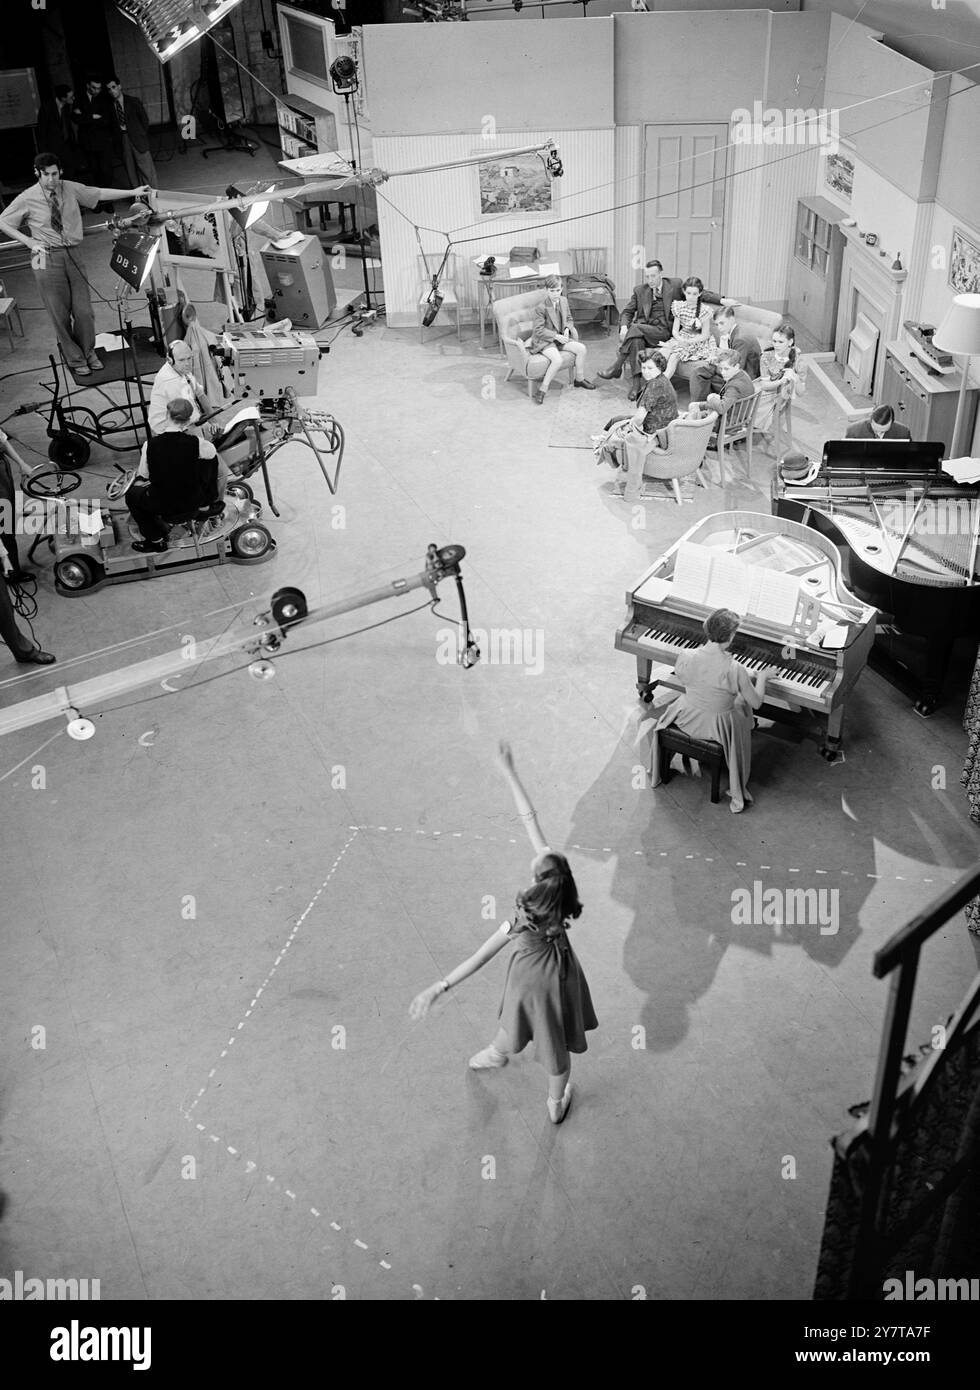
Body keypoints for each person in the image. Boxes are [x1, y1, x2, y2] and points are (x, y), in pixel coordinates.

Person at [409, 742, 598, 1125]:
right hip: (562, 978)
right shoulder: (560, 892)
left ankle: (497, 1053)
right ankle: (554, 1103)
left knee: (517, 1020)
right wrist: (510, 772)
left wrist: (438, 987)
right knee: (558, 1049)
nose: (535, 853)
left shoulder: (520, 917)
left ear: (537, 881)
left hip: (530, 981)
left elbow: (479, 958)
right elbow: (531, 822)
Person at [0, 154, 152, 378]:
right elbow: (3, 221)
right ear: (37, 173)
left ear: (60, 172)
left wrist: (132, 192)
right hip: (42, 256)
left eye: (55, 174)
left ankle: (88, 351)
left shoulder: (69, 188)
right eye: (46, 175)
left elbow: (98, 193)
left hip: (72, 251)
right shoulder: (27, 197)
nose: (51, 179)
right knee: (57, 311)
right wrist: (29, 242)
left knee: (84, 311)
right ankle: (75, 358)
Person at [637, 607, 775, 813]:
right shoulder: (736, 668)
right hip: (719, 727)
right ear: (730, 637)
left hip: (686, 715)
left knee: (735, 701)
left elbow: (686, 679)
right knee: (743, 706)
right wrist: (762, 677)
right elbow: (757, 703)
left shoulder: (686, 655)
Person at [597, 260, 725, 401]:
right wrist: (623, 326)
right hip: (645, 331)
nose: (650, 280)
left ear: (660, 274)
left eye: (653, 276)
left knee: (635, 329)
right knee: (635, 338)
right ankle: (636, 385)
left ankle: (617, 366)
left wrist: (722, 300)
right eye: (647, 277)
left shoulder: (675, 285)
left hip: (664, 331)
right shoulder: (640, 290)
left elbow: (698, 293)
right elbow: (627, 311)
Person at [125, 398, 222, 553]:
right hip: (194, 502)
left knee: (132, 495)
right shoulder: (202, 445)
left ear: (167, 415)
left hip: (162, 505)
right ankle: (206, 506)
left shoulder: (149, 445)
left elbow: (143, 475)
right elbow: (211, 472)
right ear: (189, 419)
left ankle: (156, 540)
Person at [593, 349, 679, 493]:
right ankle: (603, 439)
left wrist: (627, 429)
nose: (646, 372)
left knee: (618, 430)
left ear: (659, 368)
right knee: (616, 420)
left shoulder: (655, 385)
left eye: (650, 368)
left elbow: (639, 418)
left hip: (657, 429)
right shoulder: (660, 379)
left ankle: (604, 446)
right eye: (644, 368)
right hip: (661, 422)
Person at [528, 276, 594, 405]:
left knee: (581, 349)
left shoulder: (563, 301)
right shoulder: (541, 308)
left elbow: (569, 318)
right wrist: (556, 336)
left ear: (561, 289)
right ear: (546, 290)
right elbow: (538, 330)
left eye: (557, 290)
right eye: (552, 291)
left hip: (560, 338)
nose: (555, 294)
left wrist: (567, 328)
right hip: (545, 340)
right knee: (557, 360)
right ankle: (542, 390)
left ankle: (579, 379)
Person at [689, 306, 761, 403]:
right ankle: (701, 406)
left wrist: (716, 363)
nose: (719, 328)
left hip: (745, 377)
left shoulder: (740, 338)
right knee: (699, 372)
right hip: (736, 367)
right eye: (717, 324)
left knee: (701, 375)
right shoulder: (736, 331)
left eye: (722, 323)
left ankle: (700, 407)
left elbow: (736, 367)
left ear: (732, 319)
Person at [104, 75, 157, 190]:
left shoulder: (133, 101)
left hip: (138, 138)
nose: (112, 91)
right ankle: (140, 198)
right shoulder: (109, 107)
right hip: (123, 140)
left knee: (147, 170)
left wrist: (140, 134)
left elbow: (145, 121)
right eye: (109, 89)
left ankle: (154, 196)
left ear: (119, 86)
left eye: (113, 87)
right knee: (131, 172)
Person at [662, 277, 716, 379]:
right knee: (662, 353)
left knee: (674, 356)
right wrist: (680, 339)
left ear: (700, 294)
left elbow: (705, 335)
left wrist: (688, 341)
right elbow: (675, 330)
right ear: (684, 292)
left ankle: (661, 385)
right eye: (689, 293)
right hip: (682, 337)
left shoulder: (704, 310)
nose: (691, 297)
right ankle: (653, 381)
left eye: (695, 294)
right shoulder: (679, 306)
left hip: (697, 341)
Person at [753, 323, 802, 435]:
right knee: (744, 392)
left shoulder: (796, 357)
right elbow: (764, 384)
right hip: (767, 386)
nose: (776, 345)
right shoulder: (766, 356)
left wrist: (786, 380)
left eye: (780, 342)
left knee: (748, 402)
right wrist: (780, 380)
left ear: (790, 342)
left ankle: (745, 427)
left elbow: (797, 388)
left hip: (780, 394)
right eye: (774, 341)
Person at [73, 76, 115, 200]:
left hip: (103, 142)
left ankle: (108, 201)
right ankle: (96, 201)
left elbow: (106, 120)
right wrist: (92, 117)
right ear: (87, 86)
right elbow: (75, 118)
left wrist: (85, 116)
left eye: (99, 88)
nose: (96, 91)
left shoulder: (104, 99)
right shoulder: (79, 98)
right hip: (87, 143)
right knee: (93, 172)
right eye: (93, 88)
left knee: (106, 172)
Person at [694, 350, 755, 429]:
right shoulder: (743, 375)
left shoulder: (734, 386)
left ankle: (693, 436)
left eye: (726, 369)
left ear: (736, 366)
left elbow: (722, 408)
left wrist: (710, 398)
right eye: (721, 369)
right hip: (738, 418)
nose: (723, 373)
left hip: (728, 425)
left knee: (694, 408)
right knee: (698, 406)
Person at [36, 85, 82, 178]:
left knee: (70, 172)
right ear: (63, 98)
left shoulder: (67, 107)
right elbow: (41, 133)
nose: (73, 98)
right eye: (70, 97)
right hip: (53, 149)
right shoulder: (47, 108)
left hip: (67, 147)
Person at [846, 404, 912, 441]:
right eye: (876, 430)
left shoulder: (903, 433)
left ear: (892, 422)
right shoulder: (853, 431)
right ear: (870, 419)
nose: (879, 433)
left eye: (883, 431)